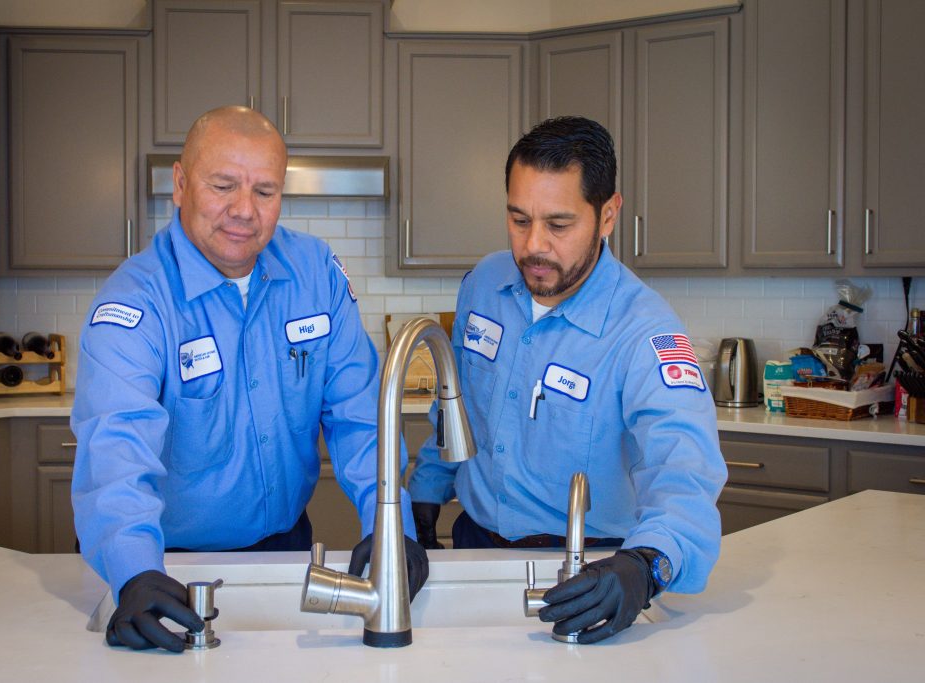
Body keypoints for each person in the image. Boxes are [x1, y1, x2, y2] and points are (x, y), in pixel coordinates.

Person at [71, 106, 427, 652]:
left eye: (265, 191)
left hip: (287, 549)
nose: (244, 211)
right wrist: (135, 573)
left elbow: (360, 418)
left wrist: (391, 524)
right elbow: (116, 451)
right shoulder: (135, 303)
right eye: (223, 186)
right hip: (168, 571)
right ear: (181, 184)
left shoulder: (315, 273)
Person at [408, 116, 727, 644]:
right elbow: (457, 404)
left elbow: (685, 468)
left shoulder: (644, 332)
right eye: (518, 219)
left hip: (587, 576)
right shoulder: (483, 285)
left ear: (608, 215)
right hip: (471, 548)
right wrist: (425, 494)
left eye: (558, 225)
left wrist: (646, 566)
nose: (533, 246)